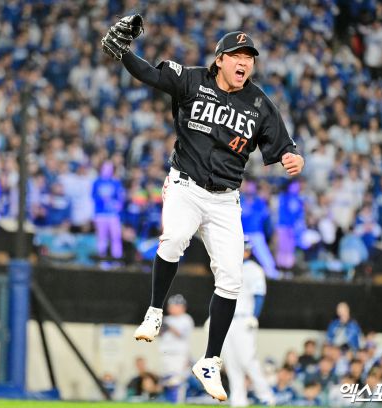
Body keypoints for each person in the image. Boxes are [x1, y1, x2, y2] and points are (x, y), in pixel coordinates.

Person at [101, 17, 304, 401]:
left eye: (250, 57)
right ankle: (155, 310)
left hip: (226, 199)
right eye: (237, 55)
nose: (244, 62)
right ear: (220, 59)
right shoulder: (193, 80)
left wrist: (294, 158)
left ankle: (210, 360)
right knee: (174, 237)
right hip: (186, 186)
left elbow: (285, 146)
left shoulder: (259, 103)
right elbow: (149, 73)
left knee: (231, 278)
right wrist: (124, 53)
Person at [223, 237, 275, 407]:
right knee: (231, 362)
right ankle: (238, 401)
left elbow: (259, 295)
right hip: (228, 319)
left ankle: (266, 396)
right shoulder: (228, 266)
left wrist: (254, 316)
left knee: (247, 360)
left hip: (244, 319)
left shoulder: (254, 269)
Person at [158, 294, 194, 403]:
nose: (172, 307)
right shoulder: (166, 318)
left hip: (179, 354)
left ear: (182, 307)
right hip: (166, 353)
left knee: (177, 380)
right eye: (171, 305)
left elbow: (181, 334)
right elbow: (158, 334)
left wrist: (169, 326)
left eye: (176, 305)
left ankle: (178, 402)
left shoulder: (186, 319)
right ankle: (169, 402)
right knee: (167, 379)